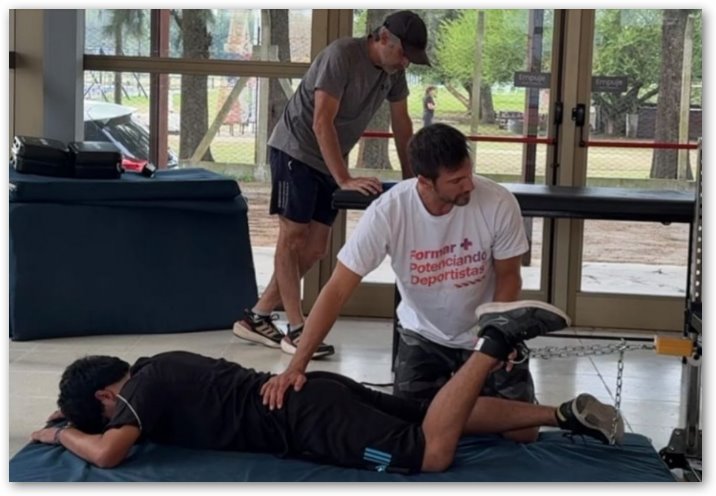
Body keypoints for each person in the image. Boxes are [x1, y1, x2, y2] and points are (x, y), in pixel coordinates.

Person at [31, 301, 624, 473]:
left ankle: (491, 343)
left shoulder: (138, 393)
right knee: (426, 413)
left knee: (430, 454)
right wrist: (72, 415)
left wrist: (61, 436)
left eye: (103, 413)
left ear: (108, 396)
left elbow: (108, 455)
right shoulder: (164, 363)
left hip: (306, 422)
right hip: (314, 392)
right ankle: (562, 414)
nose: (110, 422)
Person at [262, 123, 535, 417]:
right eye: (456, 181)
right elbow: (338, 289)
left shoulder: (498, 201)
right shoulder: (389, 211)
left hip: (484, 331)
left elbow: (509, 277)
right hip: (423, 334)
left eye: (468, 174)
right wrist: (297, 366)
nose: (468, 185)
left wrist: (495, 336)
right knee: (410, 423)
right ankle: (454, 415)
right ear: (425, 182)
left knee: (522, 432)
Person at [233, 11, 432, 360]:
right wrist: (344, 178)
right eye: (404, 54)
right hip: (295, 149)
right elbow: (321, 122)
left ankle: (257, 316)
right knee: (293, 236)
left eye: (411, 59)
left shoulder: (394, 73)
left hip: (328, 157)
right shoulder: (342, 56)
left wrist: (413, 182)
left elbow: (402, 126)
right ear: (384, 38)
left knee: (315, 249)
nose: (405, 63)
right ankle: (297, 328)